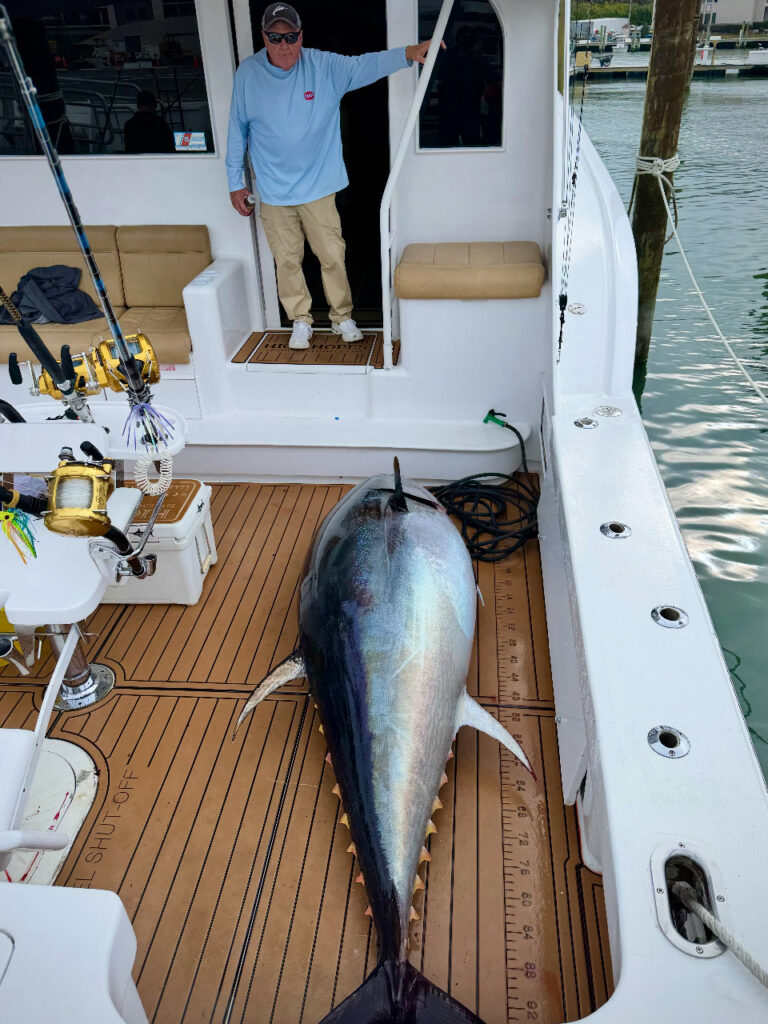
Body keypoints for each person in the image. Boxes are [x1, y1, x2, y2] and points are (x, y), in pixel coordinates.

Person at [227, 3, 440, 349]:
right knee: (287, 260)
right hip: (273, 190)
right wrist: (235, 182)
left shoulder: (323, 66)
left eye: (291, 36)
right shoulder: (247, 73)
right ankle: (300, 320)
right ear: (264, 37)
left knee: (332, 256)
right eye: (275, 37)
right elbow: (237, 129)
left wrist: (408, 53)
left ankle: (342, 317)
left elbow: (364, 65)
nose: (284, 44)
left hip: (319, 187)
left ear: (301, 35)